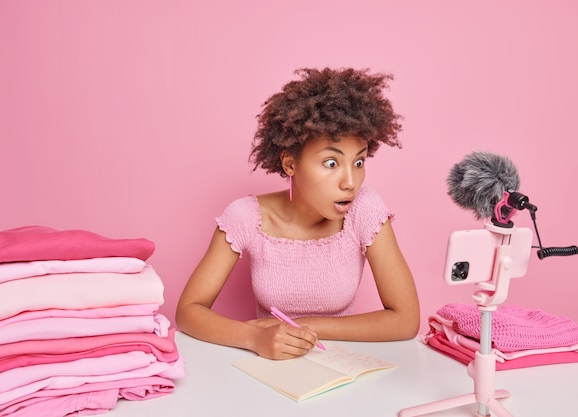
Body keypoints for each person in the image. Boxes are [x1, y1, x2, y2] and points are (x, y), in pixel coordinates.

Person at [176, 67, 420, 360]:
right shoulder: (246, 217)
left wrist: (301, 327)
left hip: (342, 366)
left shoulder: (364, 210)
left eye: (359, 162)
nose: (350, 182)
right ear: (290, 164)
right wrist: (255, 337)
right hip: (270, 366)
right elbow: (188, 311)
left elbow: (406, 321)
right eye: (331, 163)